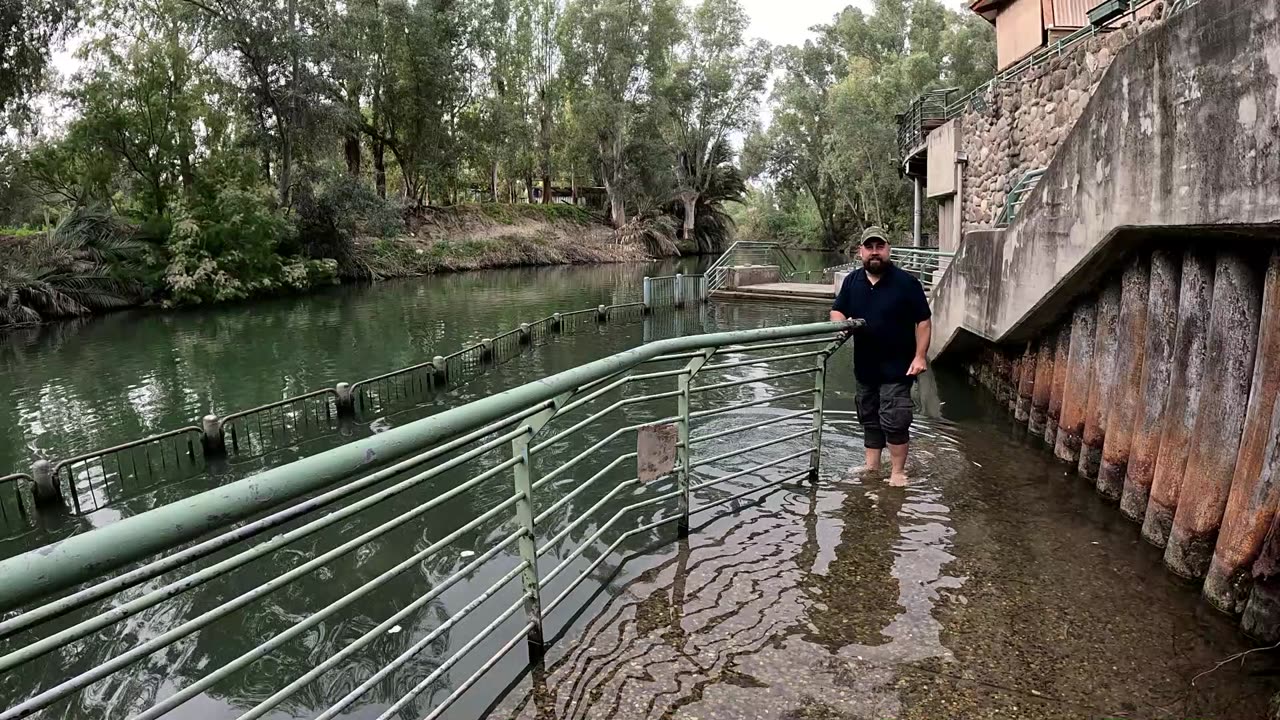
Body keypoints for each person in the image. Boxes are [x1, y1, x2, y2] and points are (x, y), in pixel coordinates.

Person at [830, 227, 932, 487]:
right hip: (865, 367)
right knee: (870, 417)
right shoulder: (852, 282)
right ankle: (871, 466)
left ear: (888, 249)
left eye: (880, 246)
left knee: (895, 419)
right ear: (860, 251)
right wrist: (843, 323)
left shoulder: (906, 283)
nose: (874, 252)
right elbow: (837, 311)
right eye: (869, 247)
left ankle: (897, 471)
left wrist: (920, 356)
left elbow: (923, 321)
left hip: (898, 367)